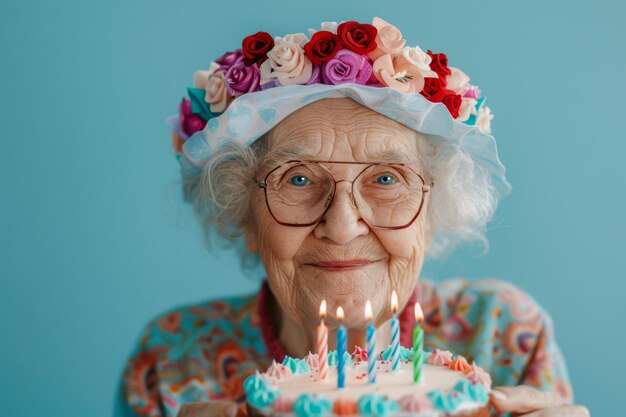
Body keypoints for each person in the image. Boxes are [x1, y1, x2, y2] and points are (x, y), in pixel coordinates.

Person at [118, 18, 589, 417]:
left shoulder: (505, 335)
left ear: (433, 213)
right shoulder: (171, 363)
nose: (342, 227)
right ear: (246, 215)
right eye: (298, 180)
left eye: (387, 180)